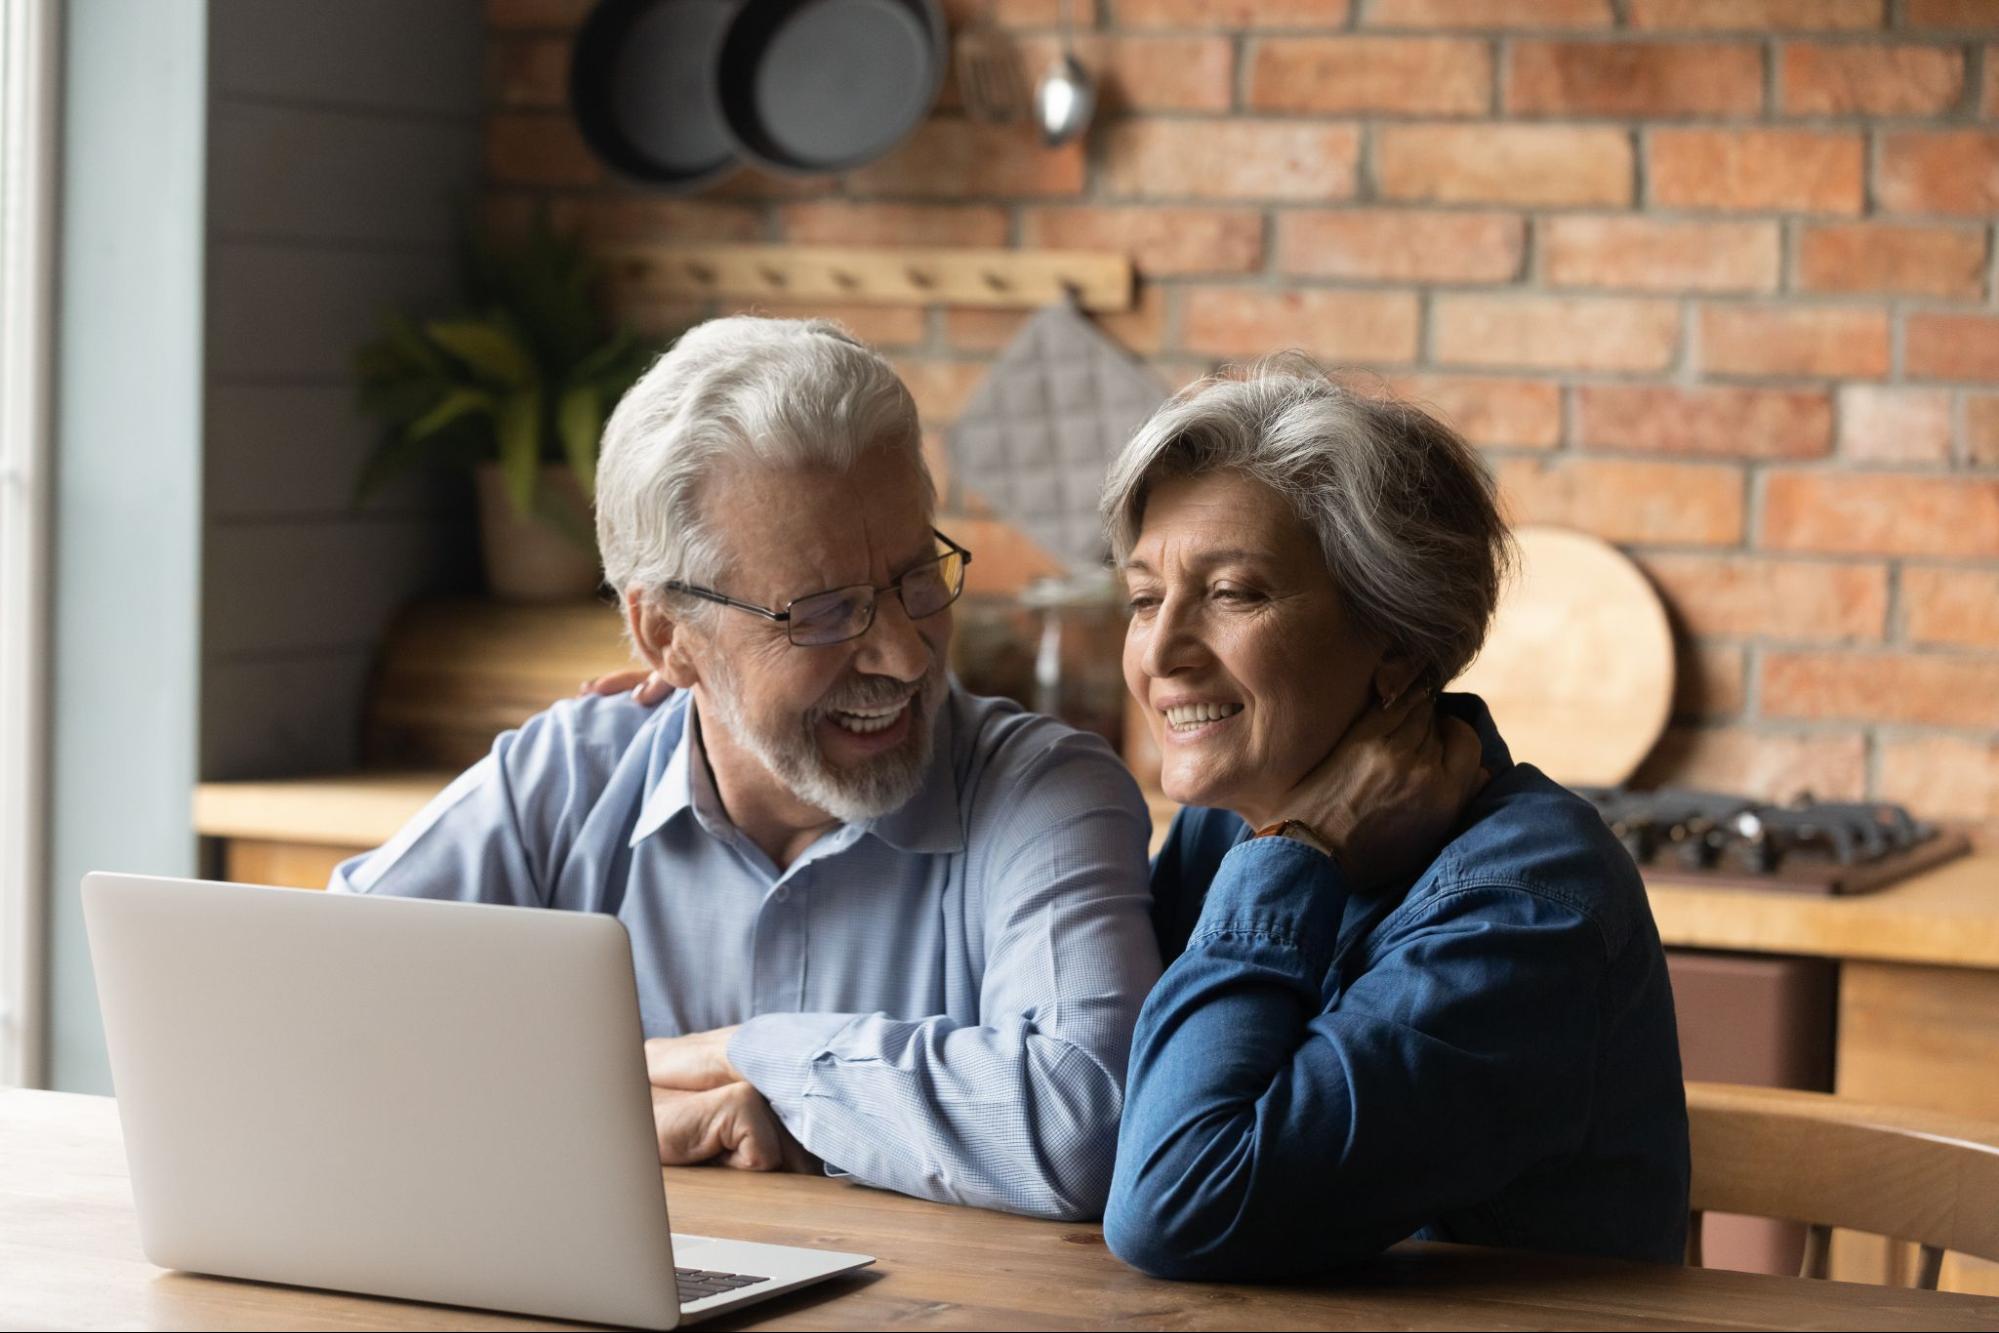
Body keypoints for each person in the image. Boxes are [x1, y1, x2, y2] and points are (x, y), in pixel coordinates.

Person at [331, 316, 1160, 1221]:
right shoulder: (566, 779)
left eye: (917, 579)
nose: (904, 656)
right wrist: (620, 1107)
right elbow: (317, 1025)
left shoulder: (1043, 794)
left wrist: (752, 1056)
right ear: (666, 636)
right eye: (825, 613)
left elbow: (1089, 1125)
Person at [1098, 357, 1690, 1278]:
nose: (1161, 651)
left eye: (1232, 593)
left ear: (1395, 639)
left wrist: (1298, 849)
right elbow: (1111, 1121)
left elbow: (1178, 1201)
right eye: (1143, 599)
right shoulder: (1233, 818)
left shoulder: (1526, 904)